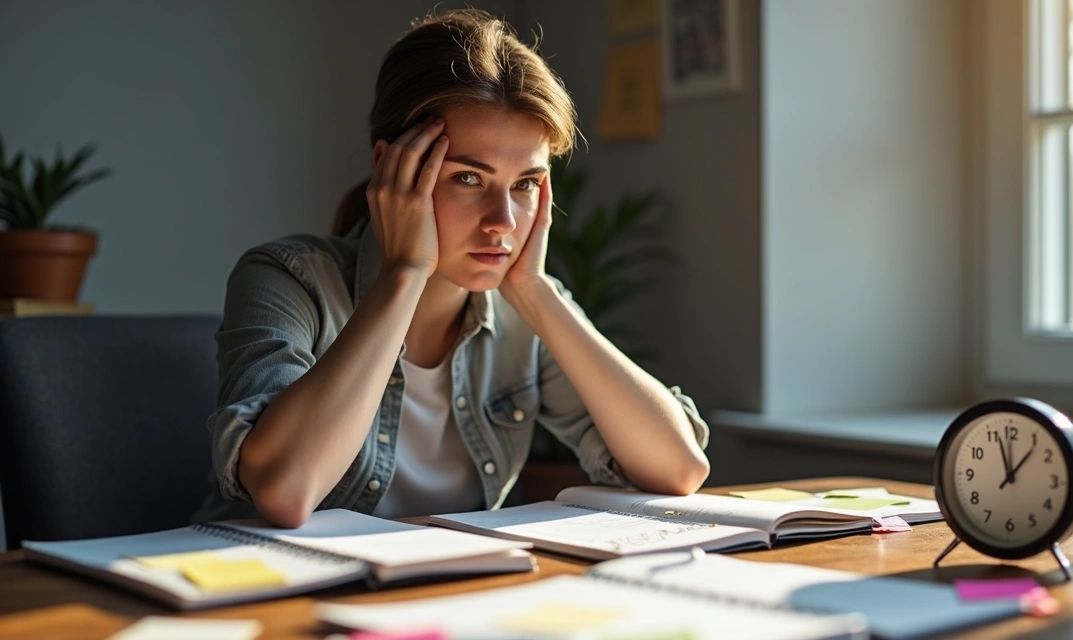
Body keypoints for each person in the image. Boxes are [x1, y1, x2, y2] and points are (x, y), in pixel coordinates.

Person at [192, 9, 710, 528]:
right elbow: (285, 492)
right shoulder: (288, 280)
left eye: (526, 183)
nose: (502, 221)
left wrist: (534, 290)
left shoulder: (522, 314)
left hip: (447, 593)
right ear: (391, 168)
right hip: (276, 587)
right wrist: (404, 274)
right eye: (467, 178)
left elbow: (679, 469)